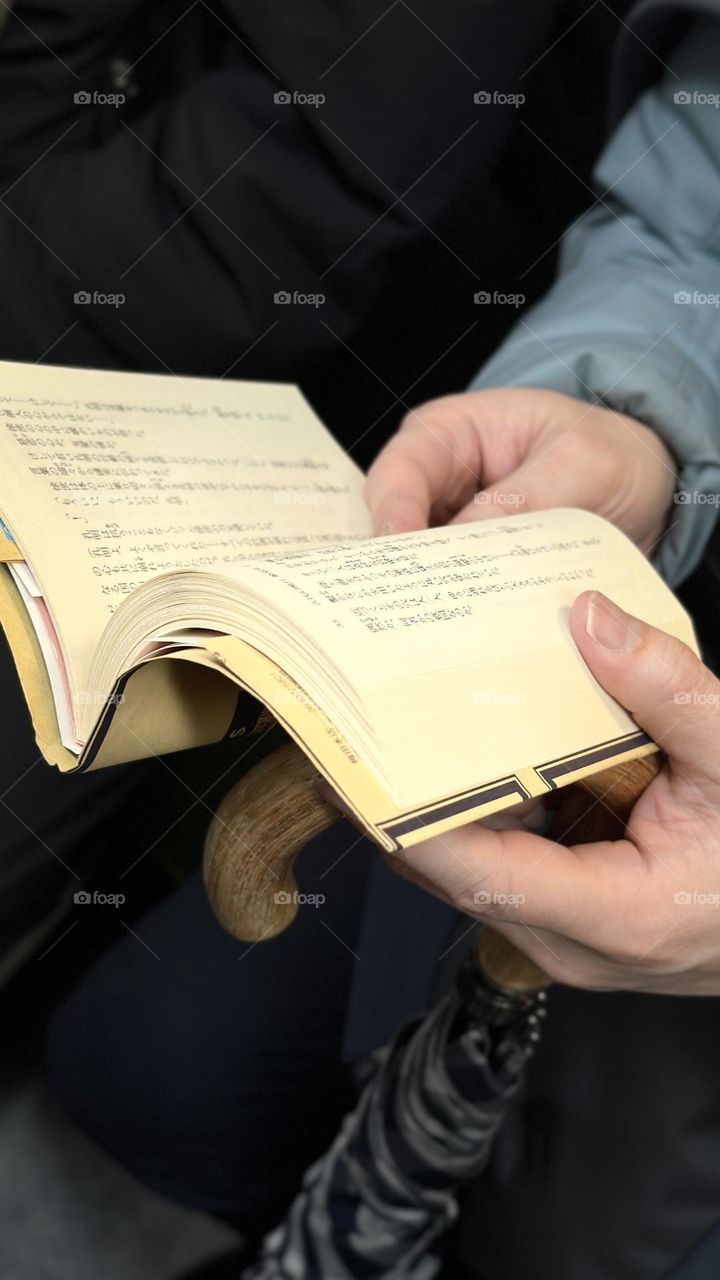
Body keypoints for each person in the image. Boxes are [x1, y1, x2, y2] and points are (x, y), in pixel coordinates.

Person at [29, 4, 720, 1280]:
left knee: (567, 1236)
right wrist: (633, 415)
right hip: (653, 624)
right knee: (152, 1072)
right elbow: (696, 223)